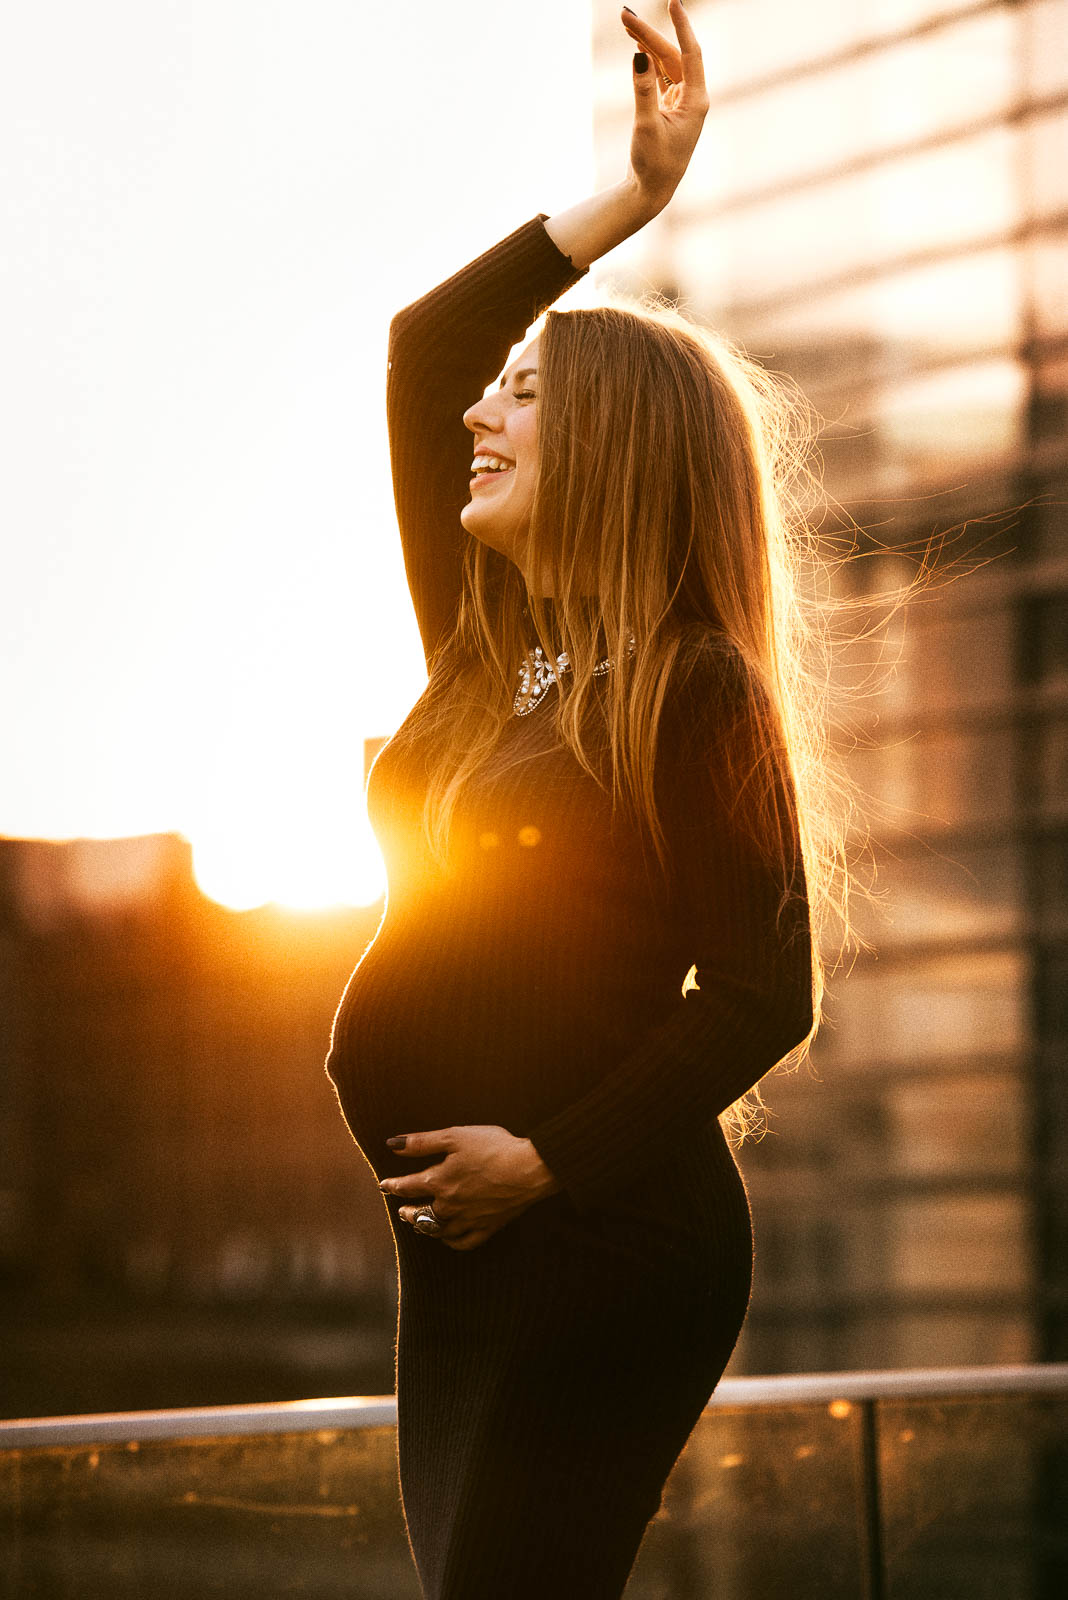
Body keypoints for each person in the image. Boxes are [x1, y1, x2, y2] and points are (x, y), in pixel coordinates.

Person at [325, 4, 821, 1595]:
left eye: (528, 395)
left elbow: (764, 990)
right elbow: (423, 354)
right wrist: (626, 203)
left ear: (613, 445)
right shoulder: (493, 662)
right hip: (466, 1252)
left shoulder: (694, 689)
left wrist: (543, 1161)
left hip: (605, 1239)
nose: (482, 413)